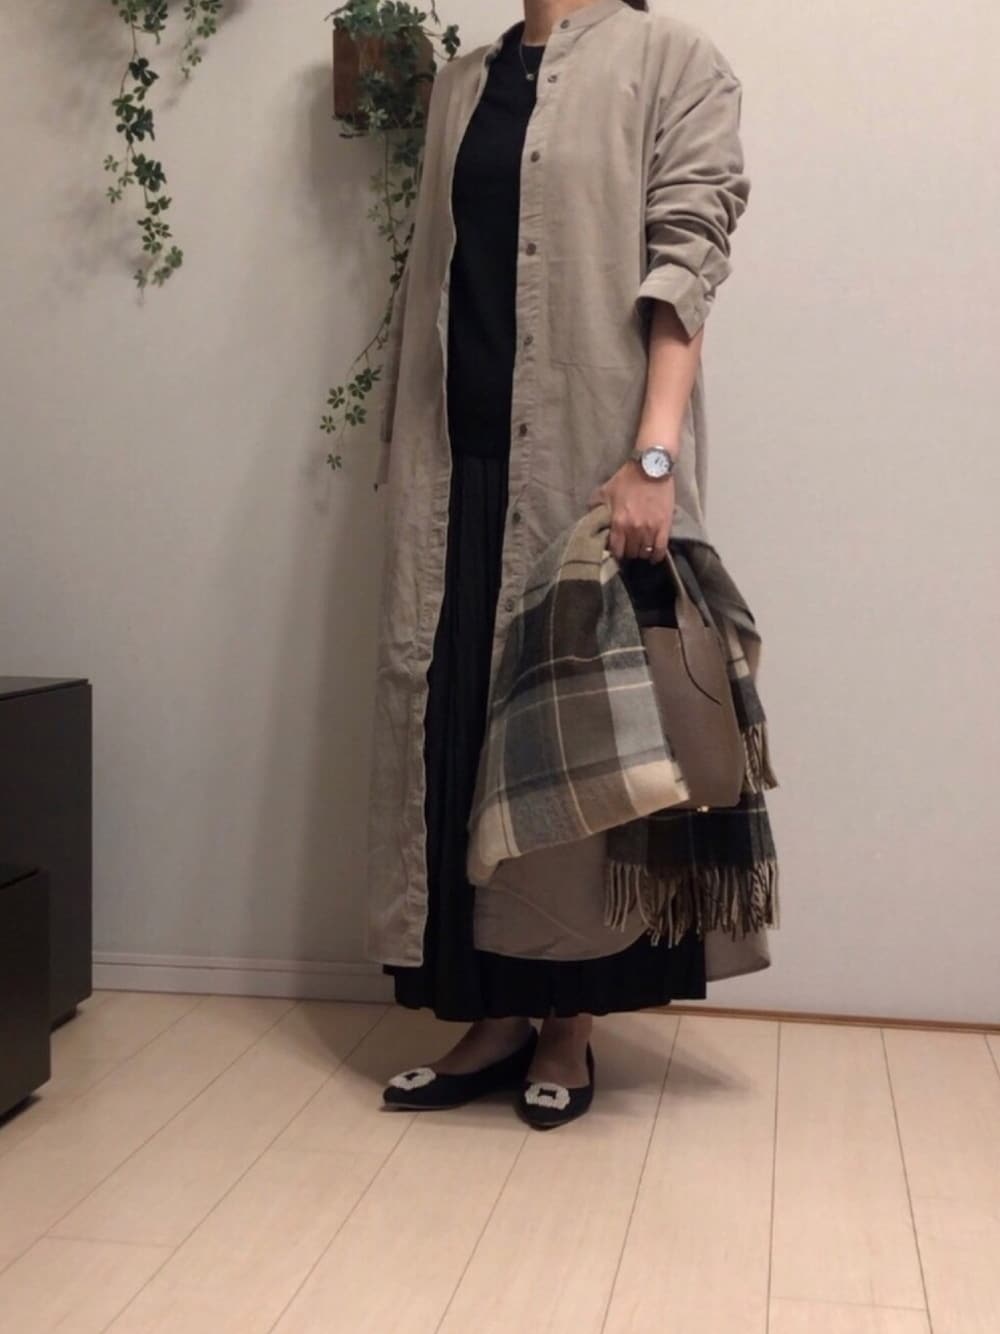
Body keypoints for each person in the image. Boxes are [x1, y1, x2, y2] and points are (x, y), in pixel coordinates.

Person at [366, 0, 752, 1128]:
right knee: (460, 736)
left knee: (578, 745)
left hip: (589, 462)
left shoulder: (673, 60)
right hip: (458, 470)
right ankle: (493, 1016)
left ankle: (570, 1022)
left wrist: (652, 456)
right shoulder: (461, 83)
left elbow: (689, 260)